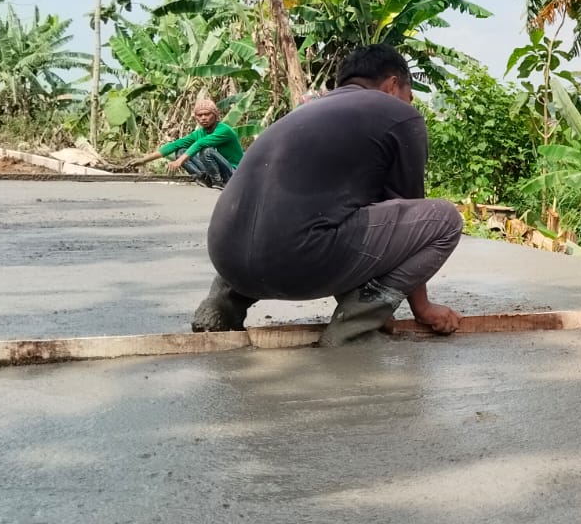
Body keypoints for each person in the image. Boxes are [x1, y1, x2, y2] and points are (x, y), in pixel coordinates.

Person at [190, 44, 464, 346]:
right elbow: (411, 213)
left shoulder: (304, 112)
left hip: (227, 261)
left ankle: (223, 305)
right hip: (294, 261)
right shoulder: (399, 114)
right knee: (445, 221)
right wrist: (422, 307)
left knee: (288, 219)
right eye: (409, 95)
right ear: (392, 84)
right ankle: (354, 325)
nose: (409, 104)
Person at [131, 99, 242, 188]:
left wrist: (179, 162)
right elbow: (175, 145)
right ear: (196, 117)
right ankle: (203, 178)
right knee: (180, 151)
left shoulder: (224, 130)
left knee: (206, 151)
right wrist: (143, 160)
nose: (203, 118)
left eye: (207, 114)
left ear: (215, 115)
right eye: (199, 115)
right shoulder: (199, 133)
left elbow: (200, 144)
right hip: (215, 170)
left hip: (233, 172)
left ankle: (219, 182)